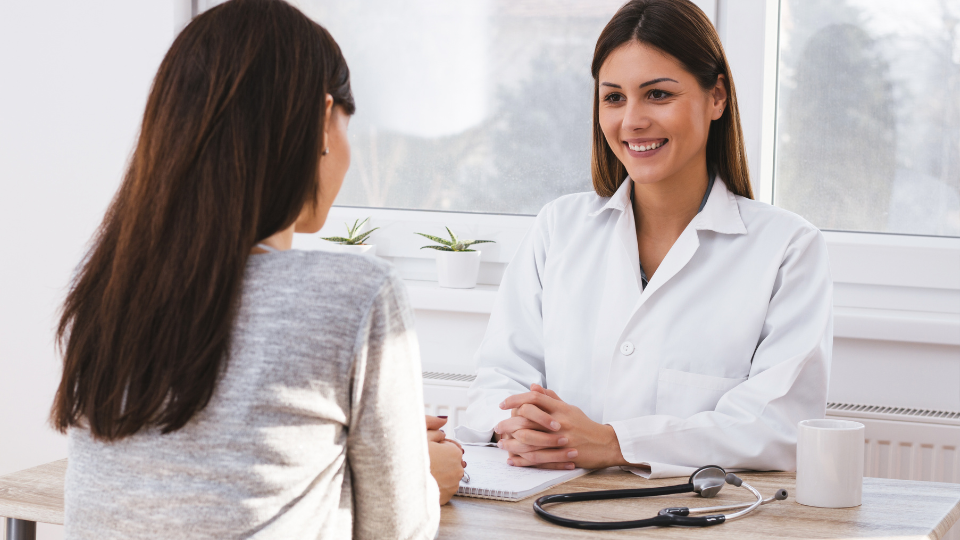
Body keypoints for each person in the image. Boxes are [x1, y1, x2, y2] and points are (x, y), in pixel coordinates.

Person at [53, 1, 461, 538]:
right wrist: (423, 477)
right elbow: (396, 531)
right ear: (321, 120)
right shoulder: (354, 295)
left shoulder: (107, 295)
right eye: (346, 125)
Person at [455, 0, 832, 477]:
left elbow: (778, 425)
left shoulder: (788, 249)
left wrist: (616, 444)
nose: (631, 120)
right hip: (549, 504)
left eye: (657, 95)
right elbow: (499, 376)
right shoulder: (559, 227)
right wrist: (514, 424)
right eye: (613, 98)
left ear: (716, 97)